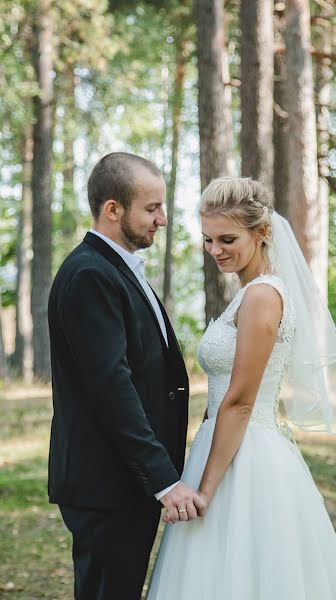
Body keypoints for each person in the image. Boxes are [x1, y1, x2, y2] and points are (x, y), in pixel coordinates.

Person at [147, 177, 336, 599]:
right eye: (208, 240)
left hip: (248, 454)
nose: (215, 250)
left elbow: (241, 400)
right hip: (221, 443)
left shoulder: (263, 295)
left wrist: (205, 490)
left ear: (262, 232)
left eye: (227, 239)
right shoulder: (246, 293)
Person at [48, 152, 202, 600]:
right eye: (152, 208)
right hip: (107, 483)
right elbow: (111, 388)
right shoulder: (89, 275)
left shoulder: (116, 268)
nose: (163, 219)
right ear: (113, 209)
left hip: (124, 482)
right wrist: (163, 479)